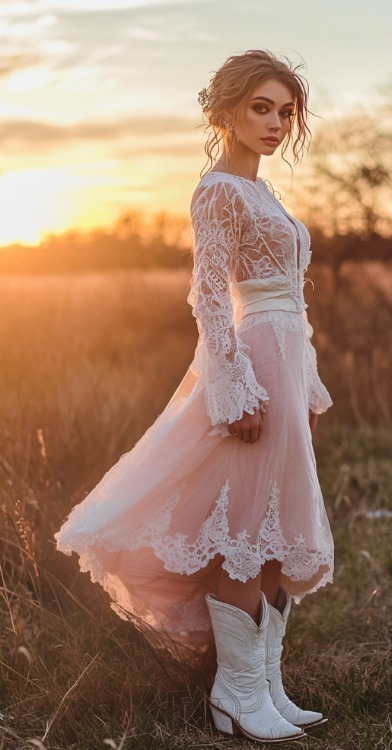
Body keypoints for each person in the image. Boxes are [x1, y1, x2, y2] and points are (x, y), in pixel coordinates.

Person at [55, 49, 334, 744]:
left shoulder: (266, 194)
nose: (274, 122)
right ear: (227, 114)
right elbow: (211, 297)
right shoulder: (218, 191)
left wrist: (308, 383)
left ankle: (264, 684)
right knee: (247, 530)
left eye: (284, 111)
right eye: (260, 108)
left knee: (273, 530)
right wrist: (233, 386)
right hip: (254, 357)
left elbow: (291, 301)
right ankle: (234, 694)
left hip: (286, 351)